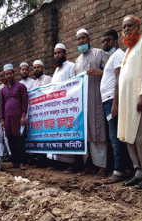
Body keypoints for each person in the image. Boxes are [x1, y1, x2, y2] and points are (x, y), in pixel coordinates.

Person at [118, 15, 142, 189]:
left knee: (141, 138)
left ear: (138, 27)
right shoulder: (128, 50)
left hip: (138, 99)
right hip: (126, 101)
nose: (126, 29)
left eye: (130, 26)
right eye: (124, 27)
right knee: (128, 137)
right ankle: (138, 172)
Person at [74, 28, 108, 176]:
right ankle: (90, 164)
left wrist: (98, 72)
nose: (81, 41)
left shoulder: (99, 53)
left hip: (97, 99)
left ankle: (103, 165)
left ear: (89, 38)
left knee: (98, 131)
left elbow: (111, 72)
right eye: (78, 39)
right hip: (83, 102)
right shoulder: (77, 61)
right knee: (86, 133)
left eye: (83, 38)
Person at [99, 29, 131, 184]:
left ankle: (118, 171)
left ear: (116, 41)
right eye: (104, 41)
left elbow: (120, 78)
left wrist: (116, 104)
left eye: (109, 40)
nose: (106, 43)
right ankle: (123, 168)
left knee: (114, 137)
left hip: (112, 101)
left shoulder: (118, 55)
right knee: (115, 136)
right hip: (108, 101)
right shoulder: (112, 57)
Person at [49, 43, 76, 171]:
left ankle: (72, 164)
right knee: (58, 135)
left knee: (69, 135)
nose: (57, 55)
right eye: (55, 53)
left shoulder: (71, 66)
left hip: (67, 107)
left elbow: (74, 86)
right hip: (56, 109)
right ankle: (60, 162)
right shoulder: (56, 71)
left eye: (59, 53)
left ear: (65, 53)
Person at [0, 64, 29, 170]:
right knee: (10, 140)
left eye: (10, 73)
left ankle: (21, 162)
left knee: (19, 140)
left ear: (14, 74)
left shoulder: (21, 86)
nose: (8, 76)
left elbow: (25, 102)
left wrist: (23, 116)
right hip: (8, 119)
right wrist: (2, 120)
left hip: (18, 118)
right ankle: (14, 161)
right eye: (6, 74)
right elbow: (1, 105)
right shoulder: (3, 90)